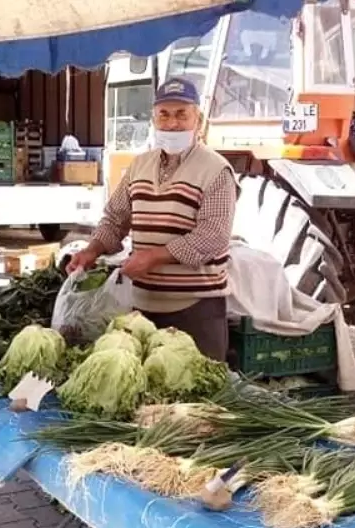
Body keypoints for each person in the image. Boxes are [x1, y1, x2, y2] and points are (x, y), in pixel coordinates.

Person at [67, 77, 236, 361]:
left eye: (182, 114)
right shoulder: (139, 165)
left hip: (196, 311)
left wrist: (156, 256)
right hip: (141, 308)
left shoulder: (216, 170)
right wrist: (91, 250)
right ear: (154, 118)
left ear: (199, 118)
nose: (172, 124)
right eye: (164, 114)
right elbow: (115, 219)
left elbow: (213, 236)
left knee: (196, 400)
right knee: (150, 400)